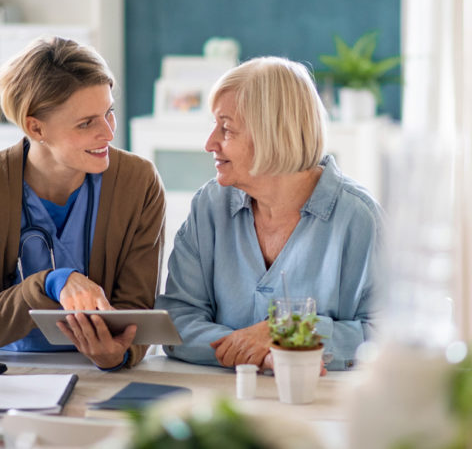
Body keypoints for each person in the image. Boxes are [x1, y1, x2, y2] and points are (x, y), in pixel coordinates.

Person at [155, 56, 383, 371]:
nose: (210, 143)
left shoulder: (359, 219)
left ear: (272, 134)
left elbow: (386, 335)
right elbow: (178, 320)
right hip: (222, 397)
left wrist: (285, 331)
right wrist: (264, 353)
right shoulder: (209, 206)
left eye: (226, 128)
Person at [0, 36, 166, 370]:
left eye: (110, 113)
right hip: (11, 373)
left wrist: (119, 353)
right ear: (36, 127)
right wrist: (50, 283)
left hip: (99, 374)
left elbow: (137, 309)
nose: (108, 133)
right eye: (86, 123)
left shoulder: (138, 182)